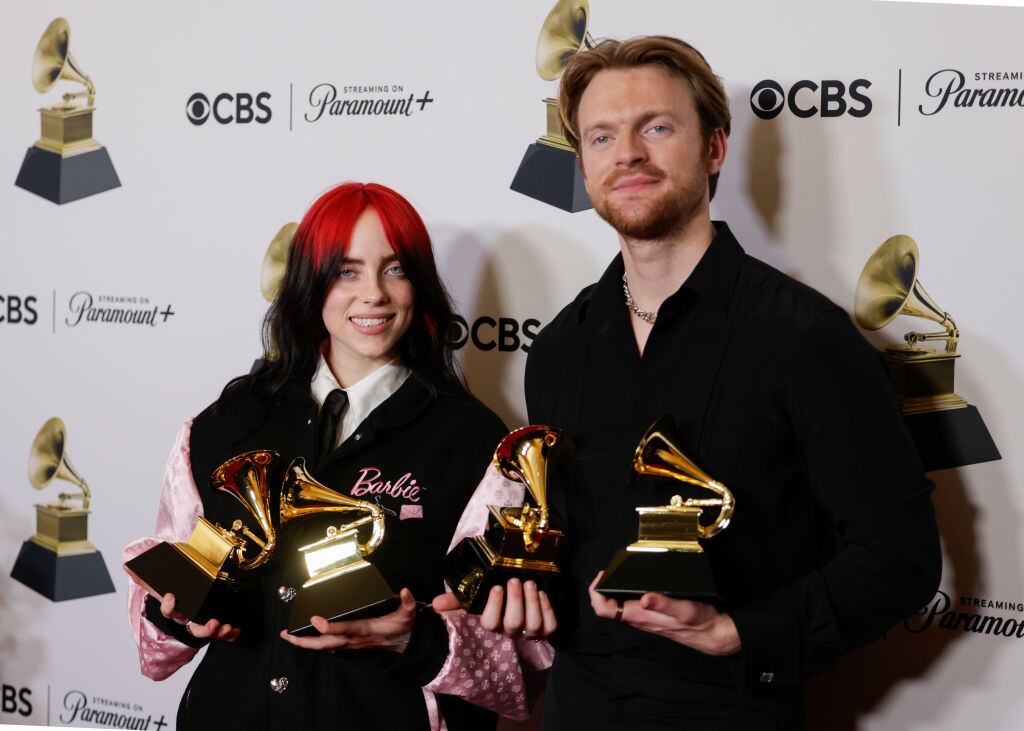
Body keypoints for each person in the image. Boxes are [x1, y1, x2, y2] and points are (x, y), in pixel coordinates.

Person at [524, 36, 942, 729]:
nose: (626, 153)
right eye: (601, 136)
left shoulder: (807, 338)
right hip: (578, 709)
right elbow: (562, 539)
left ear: (715, 149)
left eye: (656, 127)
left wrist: (741, 631)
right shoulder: (558, 348)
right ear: (585, 164)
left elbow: (901, 557)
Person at [123, 182, 555, 731]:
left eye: (394, 269)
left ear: (419, 285)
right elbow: (151, 652)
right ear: (311, 283)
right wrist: (183, 618)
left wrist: (414, 637)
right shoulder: (222, 424)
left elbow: (524, 674)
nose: (372, 293)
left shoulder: (475, 442)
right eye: (346, 271)